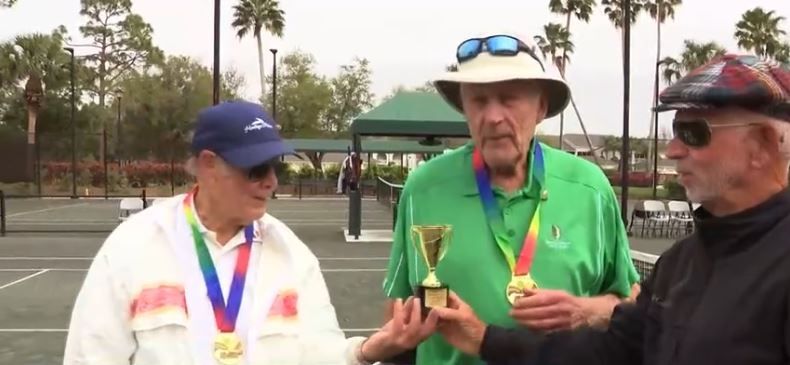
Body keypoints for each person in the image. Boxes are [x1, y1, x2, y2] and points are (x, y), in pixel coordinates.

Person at [430, 54, 790, 365]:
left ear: (764, 144)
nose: (673, 150)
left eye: (694, 132)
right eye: (675, 130)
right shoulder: (679, 265)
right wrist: (484, 339)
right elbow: (607, 351)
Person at [63, 100, 436, 365]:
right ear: (209, 166)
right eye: (255, 168)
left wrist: (369, 350)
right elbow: (90, 356)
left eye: (275, 167)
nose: (271, 182)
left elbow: (321, 354)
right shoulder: (132, 248)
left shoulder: (293, 255)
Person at [379, 32, 640, 365]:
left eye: (508, 98)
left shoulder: (590, 188)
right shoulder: (423, 187)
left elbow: (631, 299)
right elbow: (397, 308)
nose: (492, 116)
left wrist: (586, 311)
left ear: (541, 107)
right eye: (478, 100)